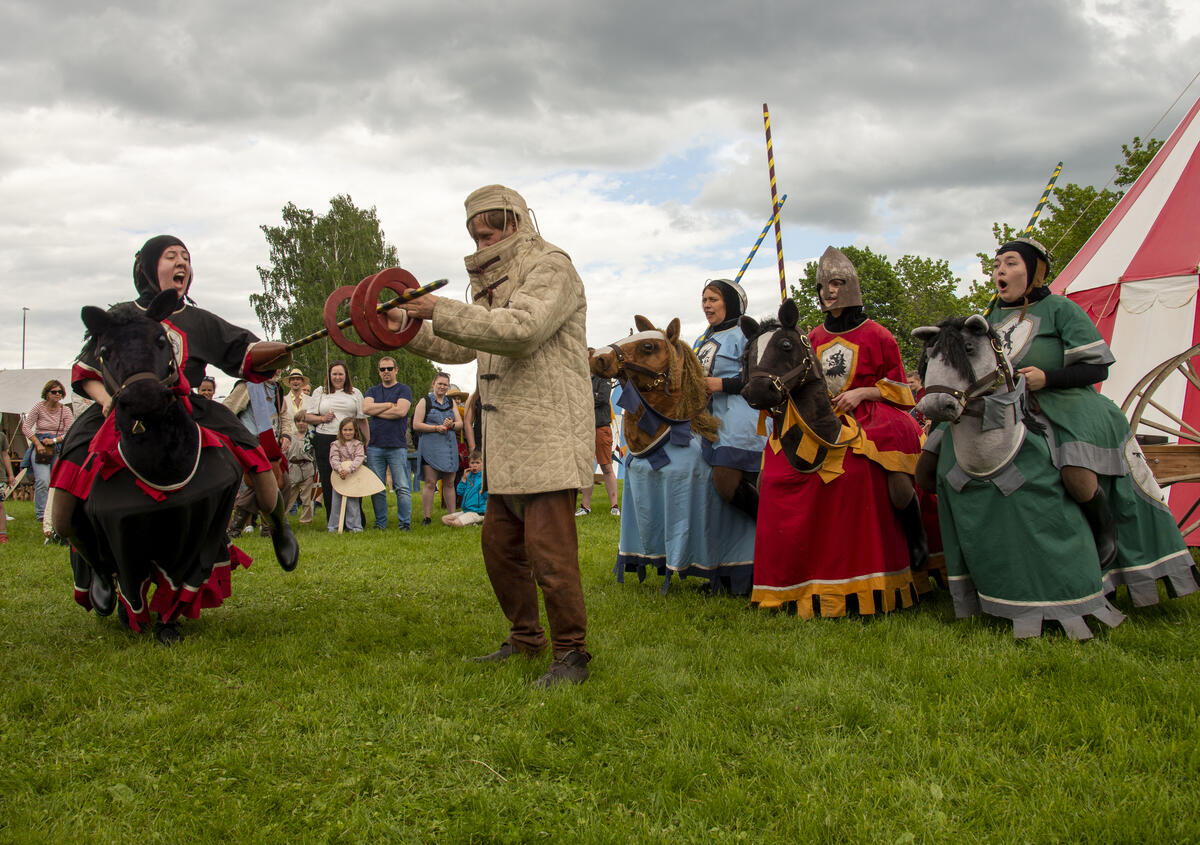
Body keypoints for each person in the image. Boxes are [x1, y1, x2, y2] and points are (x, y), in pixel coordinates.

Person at [390, 184, 593, 687]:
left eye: (489, 234)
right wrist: (403, 325)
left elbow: (521, 329)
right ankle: (526, 639)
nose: (481, 245)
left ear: (515, 223)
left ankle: (572, 653)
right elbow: (466, 344)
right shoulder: (492, 286)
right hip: (508, 443)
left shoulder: (551, 267)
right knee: (500, 550)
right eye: (475, 237)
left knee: (550, 556)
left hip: (545, 432)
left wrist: (436, 308)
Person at [52, 235, 298, 573]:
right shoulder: (121, 316)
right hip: (119, 407)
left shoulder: (199, 321)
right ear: (150, 267)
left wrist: (280, 351)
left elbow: (245, 352)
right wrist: (108, 401)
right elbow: (87, 370)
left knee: (253, 453)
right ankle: (95, 565)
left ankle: (279, 525)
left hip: (186, 407)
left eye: (186, 257)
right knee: (65, 498)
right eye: (171, 256)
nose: (182, 262)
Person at [980, 237, 1195, 601]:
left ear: (1034, 273)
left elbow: (1098, 368)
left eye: (1011, 263)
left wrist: (1048, 378)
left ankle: (1104, 527)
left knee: (1073, 469)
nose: (1000, 270)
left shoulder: (1061, 309)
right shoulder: (990, 320)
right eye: (997, 264)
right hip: (1011, 408)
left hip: (1070, 403)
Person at [808, 247, 928, 569]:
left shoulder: (880, 335)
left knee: (897, 479)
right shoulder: (813, 338)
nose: (827, 291)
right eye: (822, 286)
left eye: (835, 283)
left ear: (850, 286)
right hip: (830, 417)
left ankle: (916, 538)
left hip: (877, 416)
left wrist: (863, 392)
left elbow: (902, 389)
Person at [692, 279, 767, 518]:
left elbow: (761, 378)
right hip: (707, 418)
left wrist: (722, 384)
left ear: (731, 303)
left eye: (713, 299)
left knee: (727, 481)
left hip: (741, 416)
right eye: (704, 300)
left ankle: (771, 525)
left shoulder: (746, 335)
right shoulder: (700, 342)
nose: (706, 305)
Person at [304, 360, 366, 523]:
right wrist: (322, 418)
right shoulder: (320, 392)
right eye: (334, 374)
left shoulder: (355, 393)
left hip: (350, 440)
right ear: (329, 375)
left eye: (341, 374)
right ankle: (334, 519)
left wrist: (368, 440)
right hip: (326, 439)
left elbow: (361, 419)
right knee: (328, 479)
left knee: (352, 477)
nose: (337, 377)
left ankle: (355, 519)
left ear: (346, 376)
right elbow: (308, 416)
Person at [363, 356, 413, 530]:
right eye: (383, 369)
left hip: (397, 446)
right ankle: (380, 523)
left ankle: (404, 523)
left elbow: (401, 412)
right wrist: (389, 405)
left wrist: (376, 411)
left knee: (402, 487)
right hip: (375, 446)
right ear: (378, 371)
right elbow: (365, 409)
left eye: (389, 368)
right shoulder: (372, 390)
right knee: (377, 487)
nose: (386, 372)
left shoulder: (404, 389)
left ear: (396, 370)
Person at [412, 372, 461, 526]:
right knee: (430, 482)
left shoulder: (451, 402)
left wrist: (451, 424)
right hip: (430, 447)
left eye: (445, 384)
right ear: (433, 383)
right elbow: (416, 424)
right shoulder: (424, 401)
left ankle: (452, 516)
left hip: (448, 446)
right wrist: (436, 427)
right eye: (440, 383)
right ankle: (427, 517)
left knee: (449, 483)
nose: (442, 387)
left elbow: (460, 423)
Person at [23, 379, 74, 523]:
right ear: (46, 393)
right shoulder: (38, 408)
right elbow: (26, 427)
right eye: (54, 392)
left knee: (57, 481)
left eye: (60, 392)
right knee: (43, 480)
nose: (57, 394)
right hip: (41, 445)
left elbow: (70, 431)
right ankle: (41, 514)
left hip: (58, 446)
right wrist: (37, 443)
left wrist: (55, 440)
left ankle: (54, 512)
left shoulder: (66, 410)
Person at [575, 363, 620, 516]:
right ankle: (585, 506)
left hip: (601, 427)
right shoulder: (581, 379)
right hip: (584, 429)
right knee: (587, 469)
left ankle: (614, 506)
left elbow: (602, 399)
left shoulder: (603, 379)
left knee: (606, 467)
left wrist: (582, 401)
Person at [327, 416, 366, 532]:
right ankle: (334, 527)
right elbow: (333, 458)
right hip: (339, 476)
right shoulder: (335, 444)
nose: (348, 432)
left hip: (353, 476)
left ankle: (355, 526)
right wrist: (340, 470)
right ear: (340, 431)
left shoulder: (358, 445)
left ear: (355, 431)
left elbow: (359, 458)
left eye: (350, 430)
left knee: (353, 502)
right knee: (336, 502)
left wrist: (349, 470)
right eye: (345, 430)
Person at [283, 417, 316, 523]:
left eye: (304, 421)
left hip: (307, 467)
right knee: (288, 495)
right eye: (298, 421)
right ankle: (281, 518)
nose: (301, 423)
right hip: (293, 467)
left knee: (307, 497)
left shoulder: (311, 437)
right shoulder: (290, 437)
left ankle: (306, 520)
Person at [443, 450, 487, 526]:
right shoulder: (468, 476)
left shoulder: (484, 478)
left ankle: (480, 519)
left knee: (456, 523)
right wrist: (463, 479)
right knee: (444, 519)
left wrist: (484, 490)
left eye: (477, 463)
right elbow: (460, 491)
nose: (474, 465)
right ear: (469, 464)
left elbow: (487, 496)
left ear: (483, 464)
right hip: (466, 510)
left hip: (477, 512)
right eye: (472, 463)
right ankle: (472, 523)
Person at [0, 429, 14, 543]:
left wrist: (10, 475)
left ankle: (2, 534)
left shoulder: (1, 436)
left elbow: (5, 455)